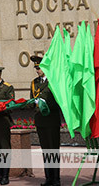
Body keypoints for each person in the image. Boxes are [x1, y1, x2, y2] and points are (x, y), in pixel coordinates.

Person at [31, 56, 61, 186]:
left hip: (52, 120)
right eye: (36, 68)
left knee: (53, 150)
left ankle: (56, 179)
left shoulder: (53, 81)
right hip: (40, 121)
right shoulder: (34, 83)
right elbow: (32, 101)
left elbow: (59, 102)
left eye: (39, 68)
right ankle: (48, 178)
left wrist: (46, 106)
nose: (38, 70)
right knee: (46, 150)